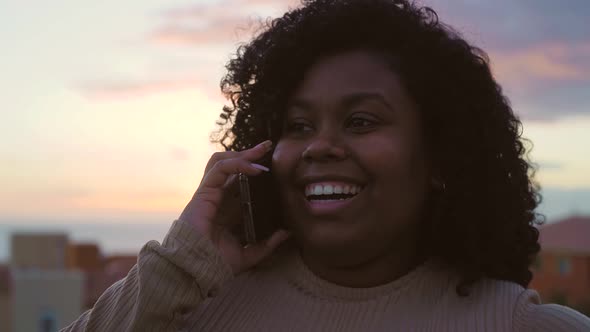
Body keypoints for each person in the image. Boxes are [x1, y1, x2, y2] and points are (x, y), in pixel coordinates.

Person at [63, 0, 590, 331]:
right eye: (297, 126)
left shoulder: (513, 322)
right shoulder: (191, 310)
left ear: (439, 158)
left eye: (360, 121)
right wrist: (181, 263)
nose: (320, 147)